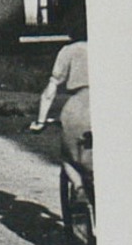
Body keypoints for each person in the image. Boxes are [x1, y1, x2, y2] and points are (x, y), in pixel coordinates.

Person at [28, 17, 90, 186]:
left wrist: (40, 121)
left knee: (68, 156)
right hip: (106, 102)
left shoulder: (68, 51)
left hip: (79, 106)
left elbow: (50, 90)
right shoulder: (109, 47)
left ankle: (79, 187)